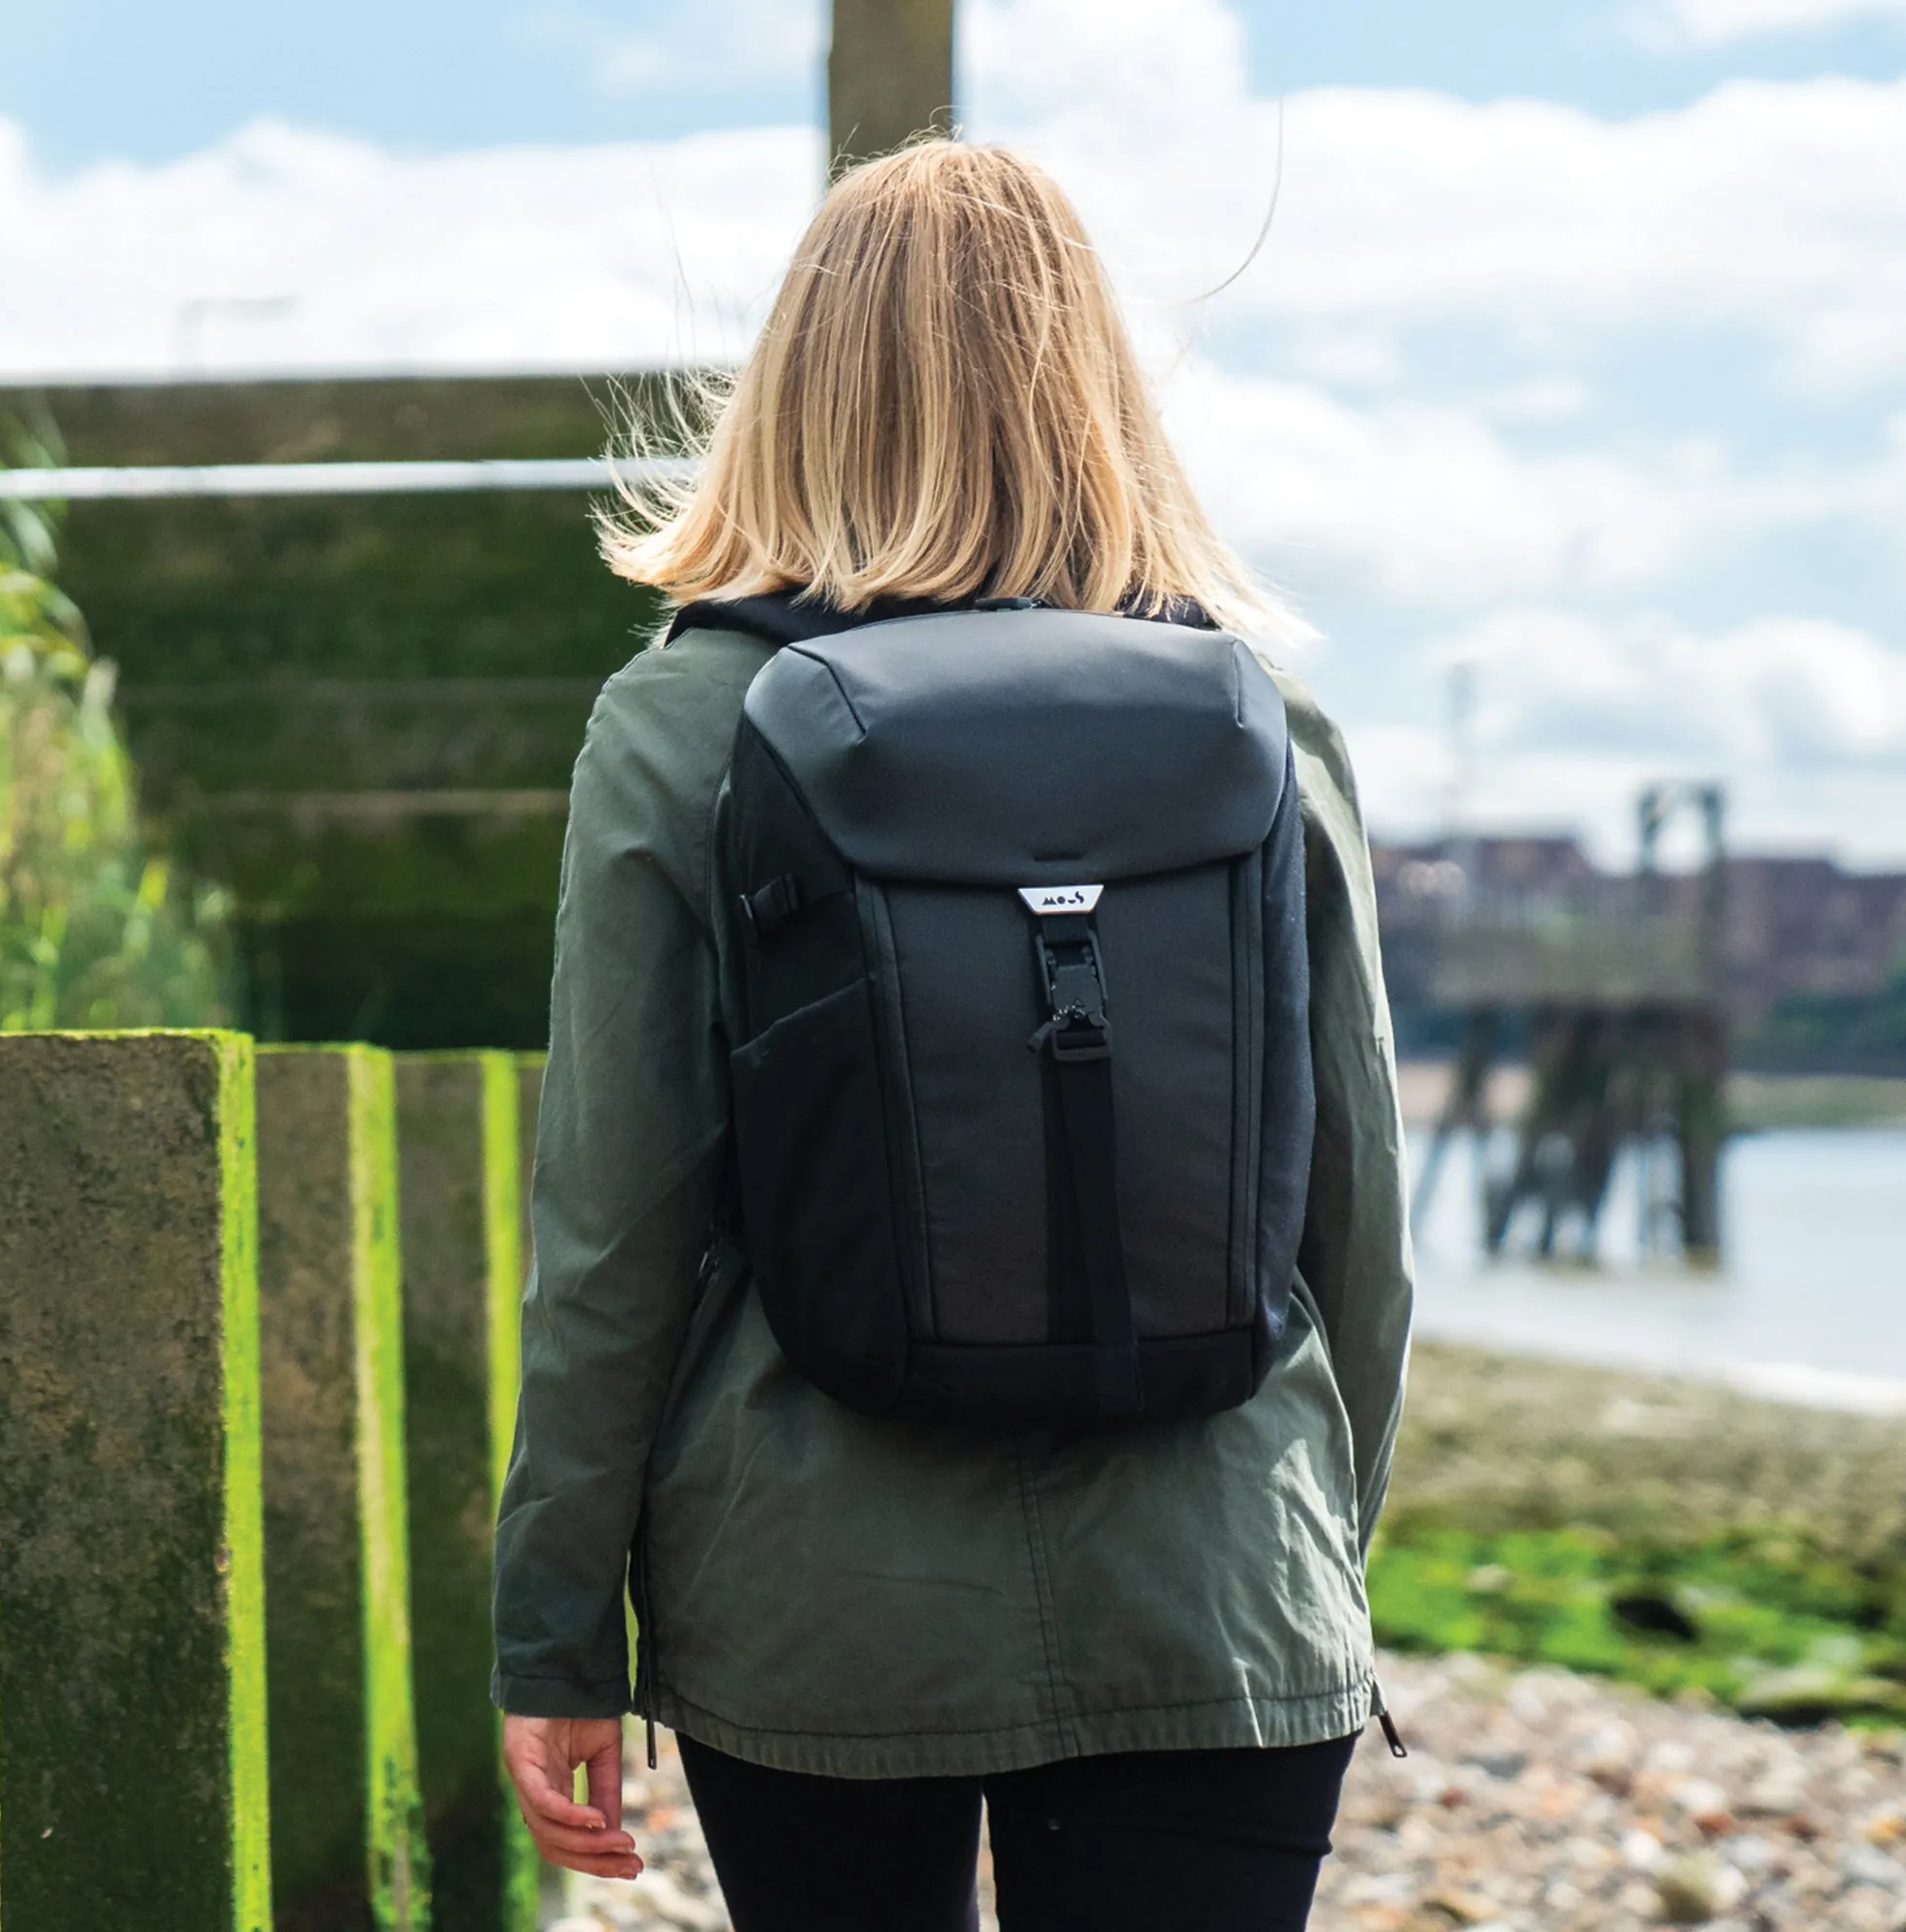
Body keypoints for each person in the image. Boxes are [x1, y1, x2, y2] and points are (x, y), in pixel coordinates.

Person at [493, 139, 1413, 1932]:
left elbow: (613, 1234)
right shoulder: (1254, 712)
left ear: (796, 386)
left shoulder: (689, 720)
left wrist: (557, 1629)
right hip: (1210, 1567)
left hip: (818, 1604)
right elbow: (1356, 1219)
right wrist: (1306, 1540)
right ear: (1095, 384)